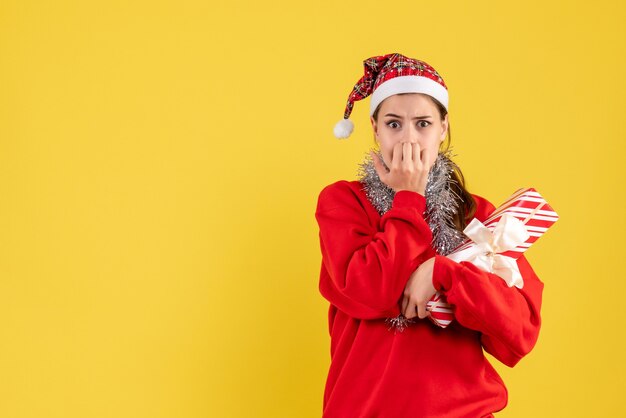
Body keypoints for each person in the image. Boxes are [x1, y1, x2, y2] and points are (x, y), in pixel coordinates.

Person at [315, 53, 544, 418]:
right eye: (394, 124)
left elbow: (518, 334)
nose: (409, 140)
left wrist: (444, 274)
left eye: (422, 123)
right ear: (374, 128)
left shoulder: (478, 216)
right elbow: (371, 291)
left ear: (443, 127)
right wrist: (409, 198)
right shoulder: (343, 203)